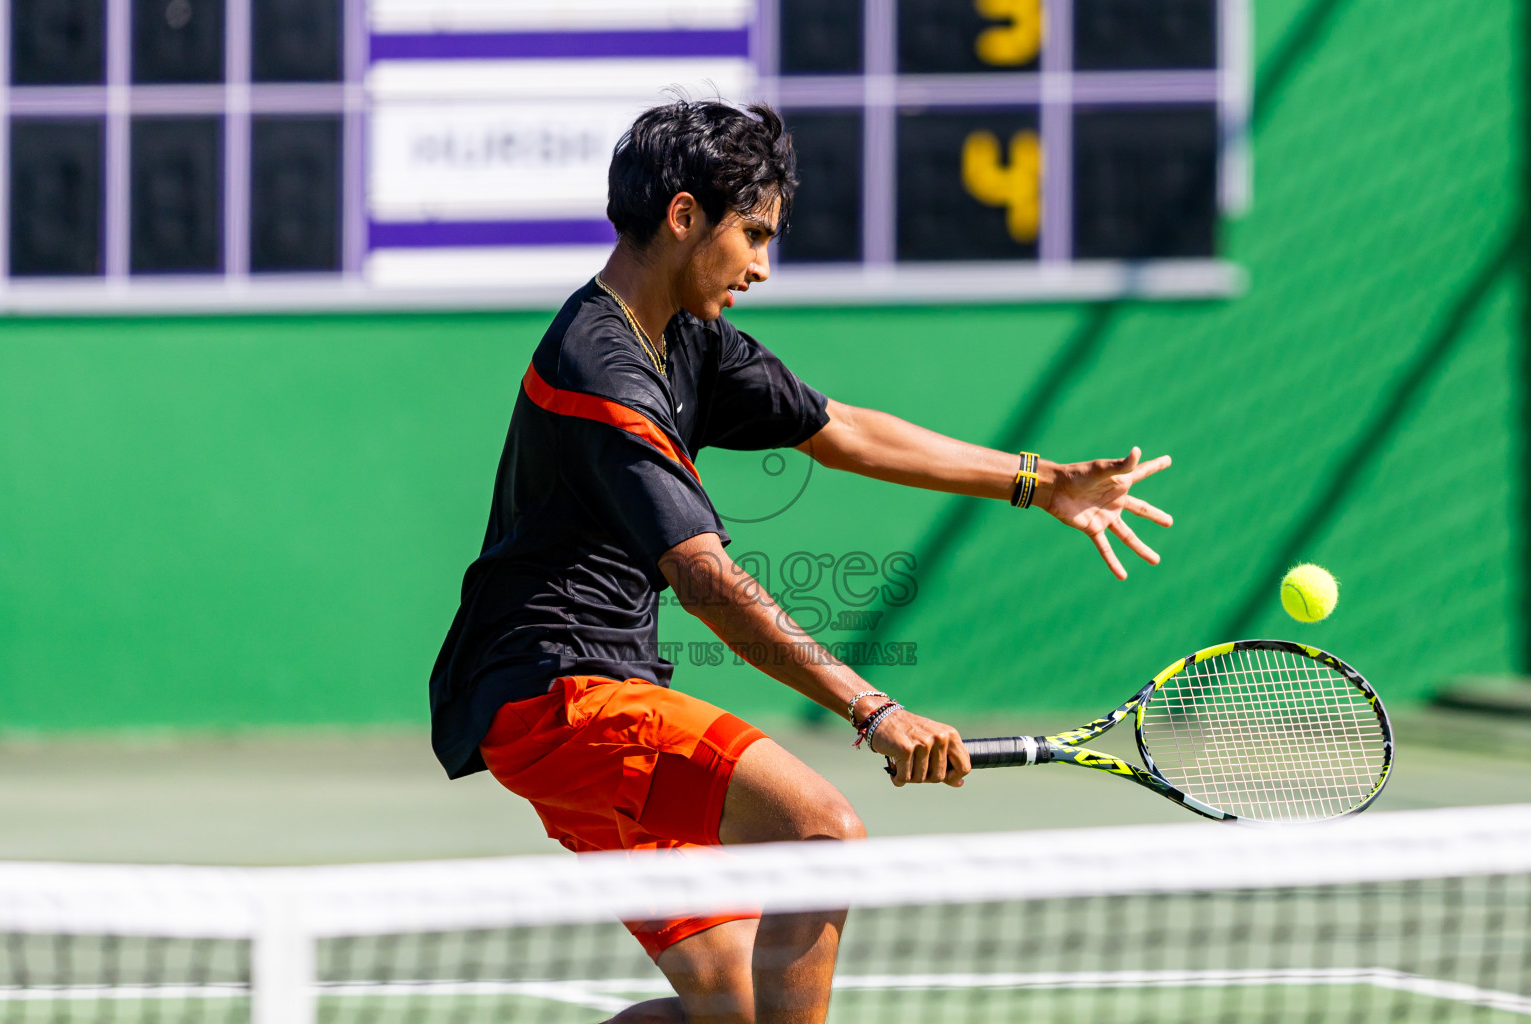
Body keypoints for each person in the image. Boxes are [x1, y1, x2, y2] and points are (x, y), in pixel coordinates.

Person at [429, 100, 1172, 1024]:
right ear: (684, 216)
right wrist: (876, 710)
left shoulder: (687, 337)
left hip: (564, 699)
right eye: (754, 236)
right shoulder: (601, 367)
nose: (762, 267)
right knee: (822, 832)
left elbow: (842, 430)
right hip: (560, 701)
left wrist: (1040, 479)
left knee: (735, 1007)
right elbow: (705, 580)